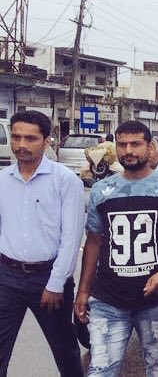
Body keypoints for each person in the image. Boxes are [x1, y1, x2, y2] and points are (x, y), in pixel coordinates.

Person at [76, 120, 158, 376]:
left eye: (135, 144)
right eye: (122, 145)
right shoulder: (102, 190)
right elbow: (93, 242)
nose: (128, 151)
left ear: (150, 147)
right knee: (101, 369)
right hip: (108, 298)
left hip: (155, 300)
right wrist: (83, 291)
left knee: (157, 366)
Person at [0, 111, 85, 376]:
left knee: (65, 351)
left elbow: (71, 238)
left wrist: (56, 283)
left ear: (47, 141)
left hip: (48, 278)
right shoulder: (2, 179)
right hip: (7, 278)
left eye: (30, 138)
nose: (21, 145)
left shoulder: (65, 181)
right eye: (16, 137)